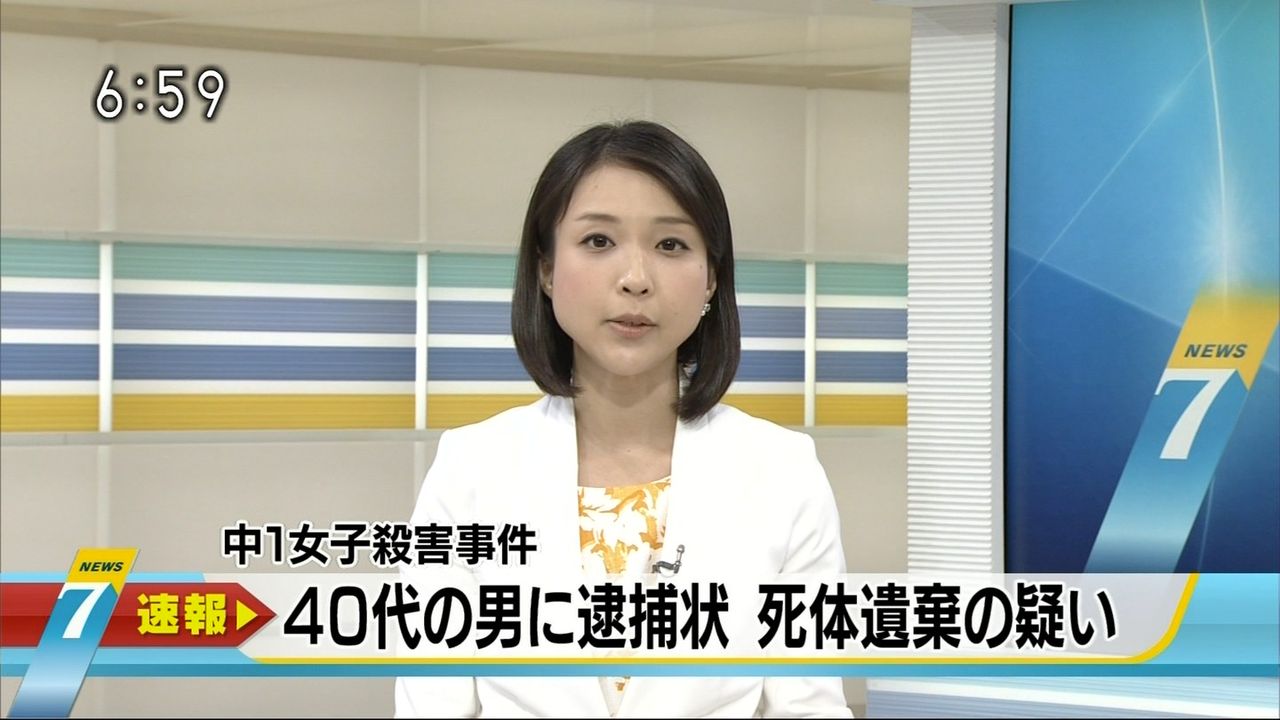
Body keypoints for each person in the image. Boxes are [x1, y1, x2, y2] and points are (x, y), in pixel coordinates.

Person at [396, 120, 852, 718]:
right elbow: (431, 705)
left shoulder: (783, 471)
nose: (635, 279)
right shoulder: (470, 468)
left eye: (671, 245)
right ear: (545, 269)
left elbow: (810, 708)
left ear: (712, 276)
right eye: (598, 241)